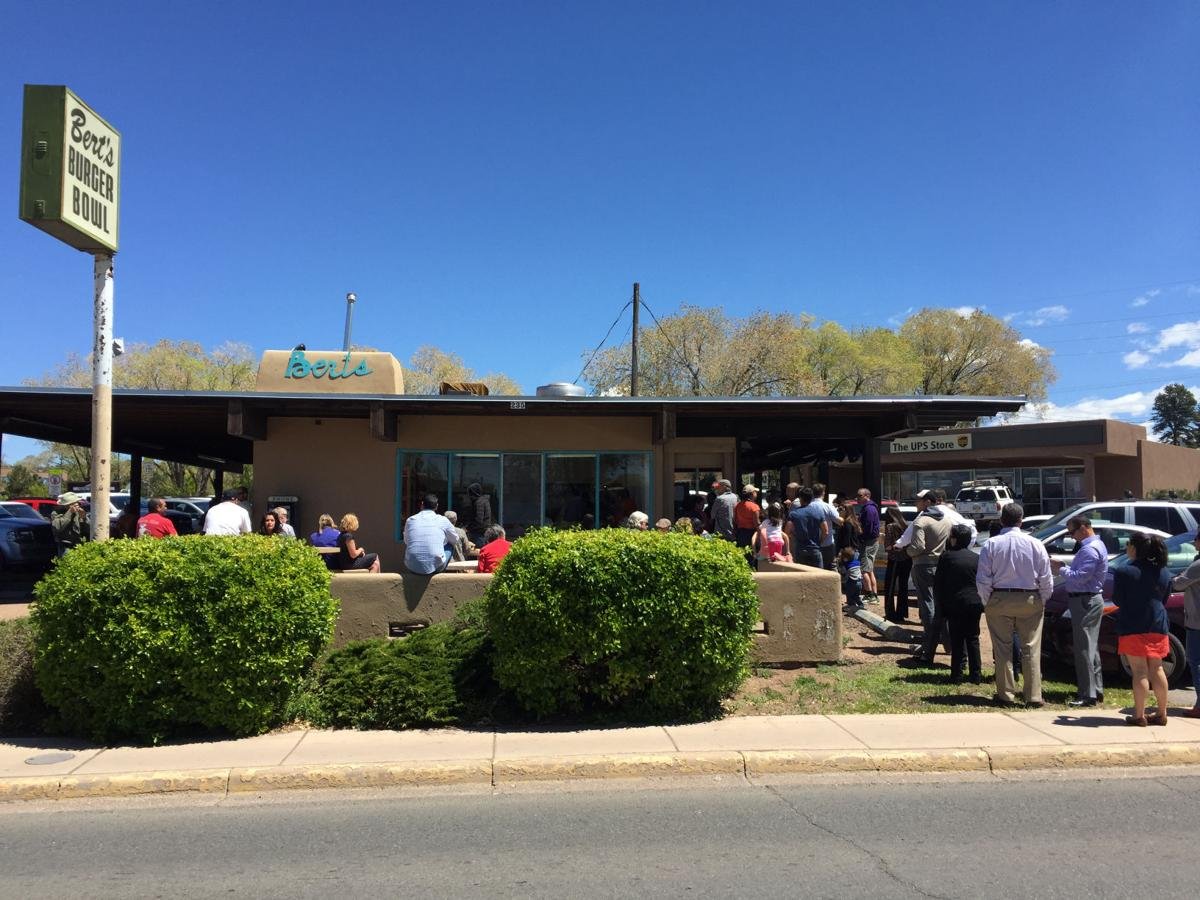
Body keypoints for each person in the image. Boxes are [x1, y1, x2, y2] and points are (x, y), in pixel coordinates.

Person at [976, 503, 1053, 708]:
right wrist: (1042, 599)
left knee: (1002, 649)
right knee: (1031, 649)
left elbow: (983, 578)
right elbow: (1046, 577)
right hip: (1030, 598)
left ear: (1002, 520)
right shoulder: (1035, 543)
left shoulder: (991, 544)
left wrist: (987, 601)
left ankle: (1006, 695)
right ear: (1021, 520)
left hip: (999, 597)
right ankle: (1033, 696)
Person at [1112, 531, 1172, 726]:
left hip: (1133, 624)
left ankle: (1139, 715)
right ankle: (1162, 713)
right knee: (1157, 668)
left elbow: (1118, 599)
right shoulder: (1163, 571)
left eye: (1128, 544)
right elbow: (1164, 598)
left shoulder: (1124, 571)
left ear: (1134, 547)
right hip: (1158, 623)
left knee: (1139, 671)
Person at [1050, 516, 1107, 707]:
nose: (1072, 537)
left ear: (1083, 528)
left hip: (1084, 600)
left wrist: (1061, 568)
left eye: (1072, 532)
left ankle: (1087, 694)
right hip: (1087, 599)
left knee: (1084, 648)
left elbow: (1081, 577)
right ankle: (1096, 689)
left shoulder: (1090, 549)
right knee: (1091, 647)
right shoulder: (1095, 545)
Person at [906, 489, 953, 664]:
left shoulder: (921, 521)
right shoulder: (947, 520)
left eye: (918, 500)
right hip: (941, 565)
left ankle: (928, 646)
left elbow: (917, 547)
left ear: (927, 502)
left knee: (927, 606)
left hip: (923, 565)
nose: (916, 503)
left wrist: (907, 551)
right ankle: (949, 645)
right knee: (942, 605)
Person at [934, 524, 983, 684]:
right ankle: (976, 674)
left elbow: (939, 583)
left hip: (954, 603)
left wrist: (940, 605)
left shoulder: (947, 557)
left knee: (957, 639)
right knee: (973, 638)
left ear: (954, 539)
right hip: (974, 602)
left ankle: (956, 674)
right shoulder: (976, 558)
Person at [1170, 531, 1200, 719]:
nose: (1194, 543)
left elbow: (1178, 584)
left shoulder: (1197, 565)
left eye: (1196, 540)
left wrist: (1177, 576)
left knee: (1195, 661)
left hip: (1197, 622)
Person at [403, 494, 459, 575]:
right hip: (437, 568)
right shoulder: (443, 520)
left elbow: (406, 541)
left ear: (422, 504)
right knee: (450, 545)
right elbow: (455, 540)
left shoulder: (410, 520)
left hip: (411, 566)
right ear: (436, 506)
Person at [785, 486, 828, 569]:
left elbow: (787, 531)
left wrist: (793, 536)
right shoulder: (818, 512)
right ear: (811, 498)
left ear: (800, 498)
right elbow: (825, 531)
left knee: (801, 574)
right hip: (815, 549)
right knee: (818, 574)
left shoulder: (794, 514)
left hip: (800, 549)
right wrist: (819, 542)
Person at [882, 507, 911, 623]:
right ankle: (902, 613)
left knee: (890, 586)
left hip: (894, 560)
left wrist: (893, 547)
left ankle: (890, 613)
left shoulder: (890, 526)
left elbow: (887, 546)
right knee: (903, 587)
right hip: (907, 559)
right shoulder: (907, 526)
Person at [856, 488, 881, 601]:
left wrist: (861, 537)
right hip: (870, 541)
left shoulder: (869, 509)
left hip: (868, 542)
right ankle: (873, 595)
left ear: (867, 496)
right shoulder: (868, 508)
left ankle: (870, 594)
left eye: (860, 495)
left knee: (864, 569)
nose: (857, 498)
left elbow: (869, 527)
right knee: (869, 569)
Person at [811, 483, 841, 571]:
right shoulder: (827, 506)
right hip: (827, 543)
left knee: (814, 568)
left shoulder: (807, 506)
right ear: (823, 493)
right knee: (831, 566)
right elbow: (839, 521)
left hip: (812, 543)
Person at [465, 483, 493, 548]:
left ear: (474, 493)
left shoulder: (479, 502)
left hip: (479, 533)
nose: (469, 496)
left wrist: (468, 528)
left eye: (470, 493)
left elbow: (478, 520)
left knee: (478, 550)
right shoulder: (484, 501)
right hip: (482, 532)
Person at [733, 485, 762, 549]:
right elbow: (757, 523)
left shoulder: (738, 505)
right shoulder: (754, 507)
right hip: (751, 534)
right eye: (755, 492)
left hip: (740, 534)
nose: (756, 494)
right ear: (752, 494)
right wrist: (759, 537)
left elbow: (735, 521)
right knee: (751, 553)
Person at [838, 546, 863, 610]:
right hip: (860, 582)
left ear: (845, 558)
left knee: (849, 595)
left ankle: (851, 606)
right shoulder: (857, 562)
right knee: (856, 596)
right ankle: (861, 605)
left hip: (851, 583)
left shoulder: (846, 565)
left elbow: (843, 573)